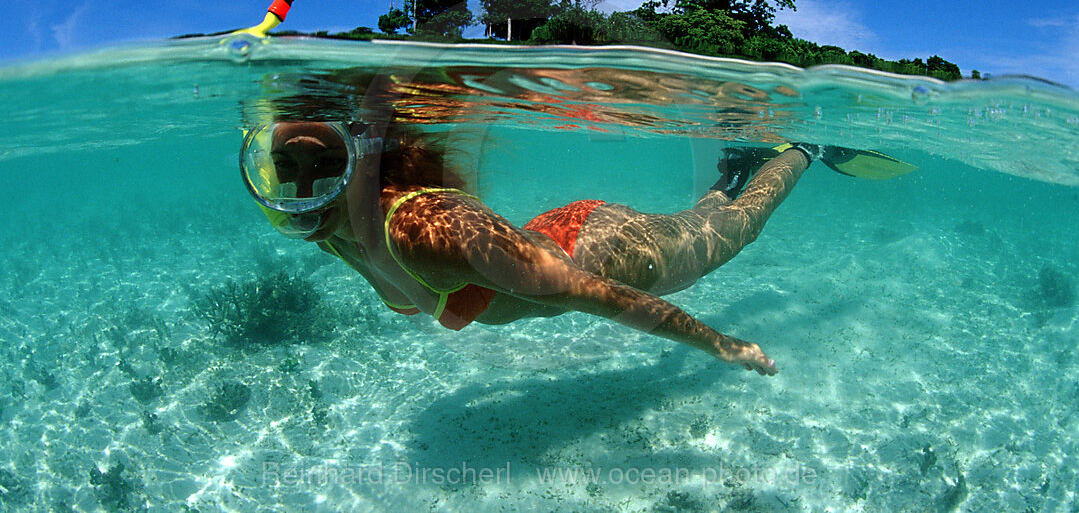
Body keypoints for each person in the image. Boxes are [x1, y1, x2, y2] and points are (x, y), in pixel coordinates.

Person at [241, 115, 910, 377]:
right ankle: (733, 165)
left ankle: (800, 150)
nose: (302, 190)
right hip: (554, 234)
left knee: (727, 236)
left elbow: (596, 294)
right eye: (284, 169)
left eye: (324, 167)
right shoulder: (328, 228)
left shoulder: (423, 231)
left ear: (360, 166)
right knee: (696, 222)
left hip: (599, 252)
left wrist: (719, 344)